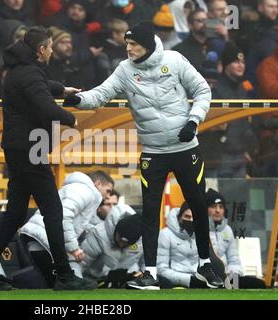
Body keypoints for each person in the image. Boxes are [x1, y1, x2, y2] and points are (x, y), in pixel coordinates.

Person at [64, 21, 223, 289]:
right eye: (126, 43)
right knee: (150, 212)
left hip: (186, 148)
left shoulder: (174, 60)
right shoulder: (125, 70)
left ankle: (205, 265)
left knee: (197, 205)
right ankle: (149, 273)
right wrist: (78, 101)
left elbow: (202, 90)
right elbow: (101, 94)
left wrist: (193, 121)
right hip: (153, 152)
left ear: (147, 45)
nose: (128, 48)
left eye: (133, 44)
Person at [0, 26, 95, 291]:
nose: (50, 51)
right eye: (49, 47)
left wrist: (62, 88)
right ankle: (63, 274)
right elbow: (45, 105)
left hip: (19, 150)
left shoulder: (20, 70)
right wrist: (71, 118)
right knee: (53, 209)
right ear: (41, 50)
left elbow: (40, 87)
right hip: (30, 151)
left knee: (15, 214)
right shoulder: (29, 72)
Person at [19, 171, 114, 286]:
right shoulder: (84, 191)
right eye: (108, 190)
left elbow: (72, 219)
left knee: (51, 283)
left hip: (41, 238)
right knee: (60, 284)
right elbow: (64, 217)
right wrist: (74, 248)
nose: (108, 196)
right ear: (98, 183)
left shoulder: (78, 188)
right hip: (44, 240)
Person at [212, 43, 257, 178]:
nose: (240, 65)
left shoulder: (243, 89)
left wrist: (248, 148)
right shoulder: (216, 90)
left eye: (242, 62)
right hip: (222, 156)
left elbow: (244, 121)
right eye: (236, 62)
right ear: (226, 65)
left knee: (240, 197)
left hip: (240, 154)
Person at [206, 189, 266, 288]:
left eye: (221, 207)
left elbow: (234, 260)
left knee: (259, 284)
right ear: (205, 209)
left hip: (227, 277)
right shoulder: (200, 229)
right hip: (209, 278)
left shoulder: (227, 230)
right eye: (213, 206)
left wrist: (234, 276)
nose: (217, 210)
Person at [80, 204, 144, 288]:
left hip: (127, 282)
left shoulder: (142, 241)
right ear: (116, 230)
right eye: (120, 239)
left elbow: (146, 263)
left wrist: (142, 274)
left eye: (127, 244)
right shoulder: (98, 235)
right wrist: (78, 283)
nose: (121, 244)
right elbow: (80, 264)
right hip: (94, 283)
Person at [157, 203, 207, 288]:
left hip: (198, 280)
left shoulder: (201, 235)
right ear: (179, 217)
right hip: (174, 283)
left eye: (194, 217)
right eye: (187, 216)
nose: (191, 220)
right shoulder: (165, 234)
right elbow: (161, 269)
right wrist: (189, 280)